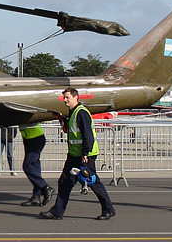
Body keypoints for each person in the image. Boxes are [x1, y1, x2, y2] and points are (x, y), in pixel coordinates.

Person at [39, 87, 116, 220]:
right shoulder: (73, 112)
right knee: (64, 182)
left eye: (67, 97)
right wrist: (61, 118)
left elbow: (87, 135)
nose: (65, 100)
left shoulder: (81, 113)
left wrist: (85, 154)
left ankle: (108, 209)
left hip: (84, 155)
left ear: (76, 97)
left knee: (92, 181)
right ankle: (57, 211)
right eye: (64, 97)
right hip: (74, 155)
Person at [19, 124, 54, 206]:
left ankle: (46, 187)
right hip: (29, 138)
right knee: (34, 166)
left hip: (35, 138)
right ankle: (36, 196)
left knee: (28, 166)